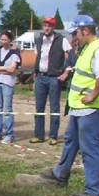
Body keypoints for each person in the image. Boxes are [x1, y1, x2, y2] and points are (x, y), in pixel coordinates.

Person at [39, 15, 99, 196]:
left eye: (76, 33)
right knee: (71, 140)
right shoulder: (88, 48)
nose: (75, 37)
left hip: (90, 107)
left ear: (85, 30)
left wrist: (93, 95)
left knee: (90, 148)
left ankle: (94, 191)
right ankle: (61, 174)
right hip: (80, 107)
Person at [30, 16, 71, 145]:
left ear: (53, 27)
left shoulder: (61, 40)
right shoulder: (38, 39)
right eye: (45, 25)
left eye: (50, 26)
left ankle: (53, 136)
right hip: (40, 77)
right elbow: (37, 57)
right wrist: (35, 72)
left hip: (54, 77)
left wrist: (66, 72)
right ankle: (39, 135)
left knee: (54, 107)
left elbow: (69, 56)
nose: (47, 28)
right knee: (39, 107)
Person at [0, 31, 20, 143]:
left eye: (5, 39)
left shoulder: (14, 53)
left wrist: (0, 69)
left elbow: (12, 69)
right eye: (1, 39)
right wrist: (4, 69)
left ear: (10, 40)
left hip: (8, 83)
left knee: (7, 109)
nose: (3, 41)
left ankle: (9, 134)